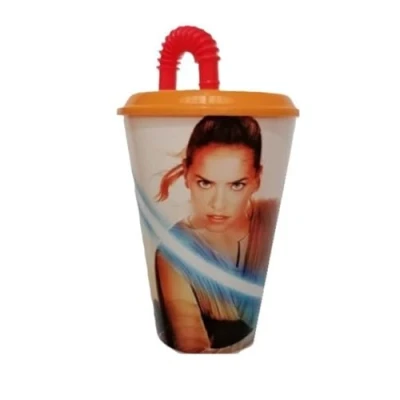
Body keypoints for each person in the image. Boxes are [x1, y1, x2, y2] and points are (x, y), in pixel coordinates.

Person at [153, 116, 280, 353]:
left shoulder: (274, 216)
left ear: (257, 179)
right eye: (205, 183)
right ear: (186, 174)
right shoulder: (175, 252)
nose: (218, 204)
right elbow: (193, 350)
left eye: (236, 185)